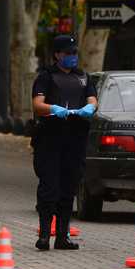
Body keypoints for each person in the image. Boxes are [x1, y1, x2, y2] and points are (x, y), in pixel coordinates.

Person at [31, 35, 98, 251]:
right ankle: (44, 236)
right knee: (49, 187)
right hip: (50, 138)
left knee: (69, 188)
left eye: (74, 53)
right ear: (57, 54)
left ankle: (62, 237)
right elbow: (37, 104)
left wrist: (90, 109)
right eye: (68, 53)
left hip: (75, 138)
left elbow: (92, 101)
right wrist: (53, 109)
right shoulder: (46, 76)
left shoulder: (84, 77)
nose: (72, 57)